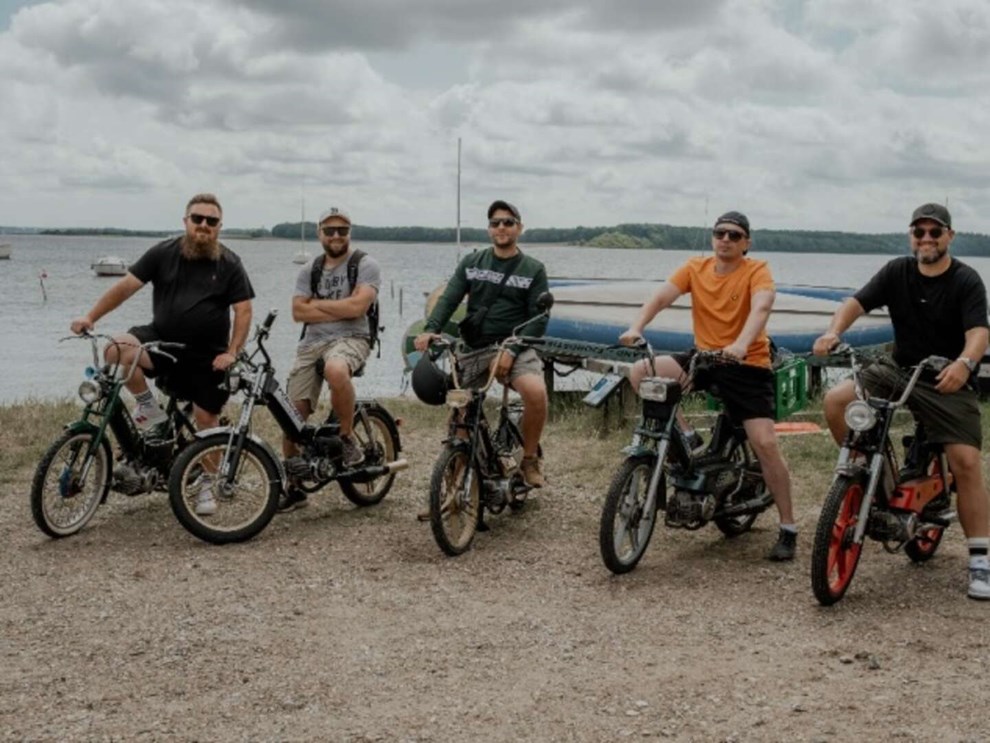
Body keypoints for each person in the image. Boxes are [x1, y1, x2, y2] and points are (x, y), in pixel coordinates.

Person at [812, 202, 990, 600]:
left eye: (935, 232)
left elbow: (979, 331)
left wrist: (964, 363)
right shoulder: (897, 271)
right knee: (836, 401)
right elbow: (856, 303)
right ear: (911, 236)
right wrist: (832, 332)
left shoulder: (966, 280)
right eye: (919, 232)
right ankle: (868, 477)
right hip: (899, 368)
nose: (926, 239)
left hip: (945, 377)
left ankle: (981, 560)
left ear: (950, 236)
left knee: (966, 461)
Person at [619, 211, 798, 561]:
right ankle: (686, 436)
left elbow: (761, 308)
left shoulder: (756, 270)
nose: (726, 240)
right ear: (713, 237)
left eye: (734, 235)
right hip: (704, 359)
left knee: (764, 443)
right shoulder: (695, 268)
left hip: (746, 364)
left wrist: (743, 344)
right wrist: (635, 327)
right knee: (641, 372)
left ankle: (788, 526)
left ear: (746, 243)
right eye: (720, 233)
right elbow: (661, 297)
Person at [70, 193, 255, 515]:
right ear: (185, 221)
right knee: (115, 348)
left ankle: (208, 484)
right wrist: (90, 317)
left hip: (206, 355)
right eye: (197, 218)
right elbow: (125, 287)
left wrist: (232, 352)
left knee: (206, 420)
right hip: (162, 342)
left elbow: (244, 311)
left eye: (211, 221)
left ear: (219, 227)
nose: (203, 226)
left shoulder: (229, 263)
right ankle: (148, 409)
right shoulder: (163, 253)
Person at [414, 199, 550, 492]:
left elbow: (539, 318)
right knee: (460, 417)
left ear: (519, 228)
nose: (501, 227)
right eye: (495, 223)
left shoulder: (533, 269)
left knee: (536, 392)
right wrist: (431, 330)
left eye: (508, 222)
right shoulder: (472, 263)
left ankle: (529, 459)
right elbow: (449, 298)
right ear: (489, 230)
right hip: (475, 346)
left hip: (515, 344)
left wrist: (512, 350)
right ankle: (453, 489)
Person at [278, 206, 382, 512]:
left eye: (343, 230)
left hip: (352, 338)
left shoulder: (365, 264)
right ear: (319, 233)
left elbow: (357, 309)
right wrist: (340, 305)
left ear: (350, 232)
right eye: (330, 230)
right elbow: (298, 312)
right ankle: (294, 487)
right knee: (291, 416)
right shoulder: (308, 270)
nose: (336, 236)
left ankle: (346, 437)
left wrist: (318, 305)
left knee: (337, 370)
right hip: (311, 343)